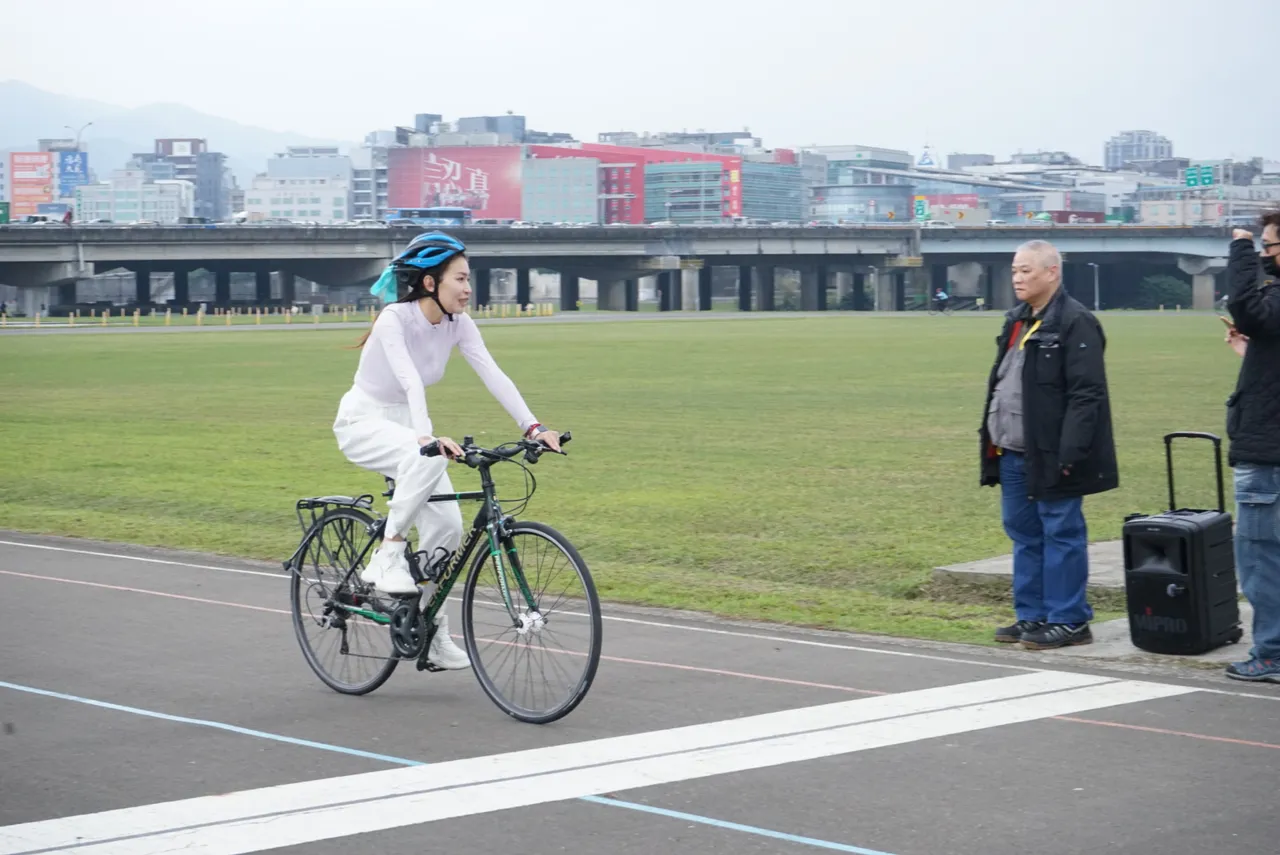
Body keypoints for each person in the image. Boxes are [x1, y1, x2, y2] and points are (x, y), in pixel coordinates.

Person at [332, 231, 560, 671]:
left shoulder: (460, 323)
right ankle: (387, 554)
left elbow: (493, 374)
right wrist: (425, 438)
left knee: (449, 529)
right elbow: (410, 380)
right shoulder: (395, 319)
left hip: (407, 426)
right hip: (364, 421)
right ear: (431, 283)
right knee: (430, 456)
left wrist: (533, 427)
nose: (468, 288)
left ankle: (431, 632)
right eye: (459, 278)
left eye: (468, 278)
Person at [978, 239, 1118, 650]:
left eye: (1027, 270)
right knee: (1024, 534)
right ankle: (1033, 615)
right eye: (1015, 271)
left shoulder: (1076, 322)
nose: (1018, 278)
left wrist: (1070, 452)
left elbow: (1086, 394)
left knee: (1061, 533)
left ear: (1052, 272)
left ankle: (1070, 619)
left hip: (1052, 453)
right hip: (1012, 450)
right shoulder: (1018, 321)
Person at [1221, 213, 1280, 683]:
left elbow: (1245, 303)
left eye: (1268, 245)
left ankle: (1272, 652)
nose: (1263, 253)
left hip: (1268, 457)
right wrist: (1251, 352)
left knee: (1262, 559)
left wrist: (1239, 247)